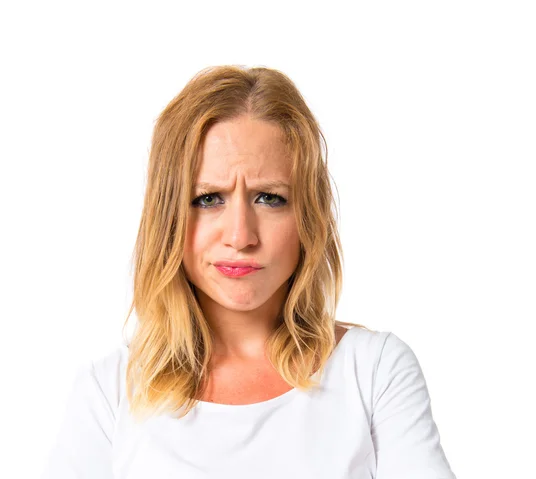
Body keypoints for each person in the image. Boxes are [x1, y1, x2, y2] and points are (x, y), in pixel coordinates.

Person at [41, 65, 457, 479]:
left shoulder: (373, 371)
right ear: (167, 217)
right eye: (208, 199)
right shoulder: (109, 392)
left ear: (307, 217)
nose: (240, 236)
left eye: (269, 198)